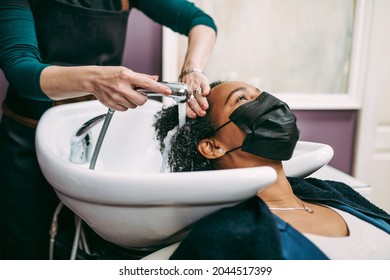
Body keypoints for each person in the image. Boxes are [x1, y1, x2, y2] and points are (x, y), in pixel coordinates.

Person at [0, 0, 217, 259]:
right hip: (27, 139)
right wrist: (95, 81)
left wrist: (192, 69)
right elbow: (21, 69)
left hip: (96, 135)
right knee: (24, 248)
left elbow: (202, 23)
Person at [153, 80, 390, 259]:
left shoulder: (336, 193)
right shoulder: (229, 235)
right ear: (213, 146)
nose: (269, 103)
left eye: (261, 95)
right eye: (242, 100)